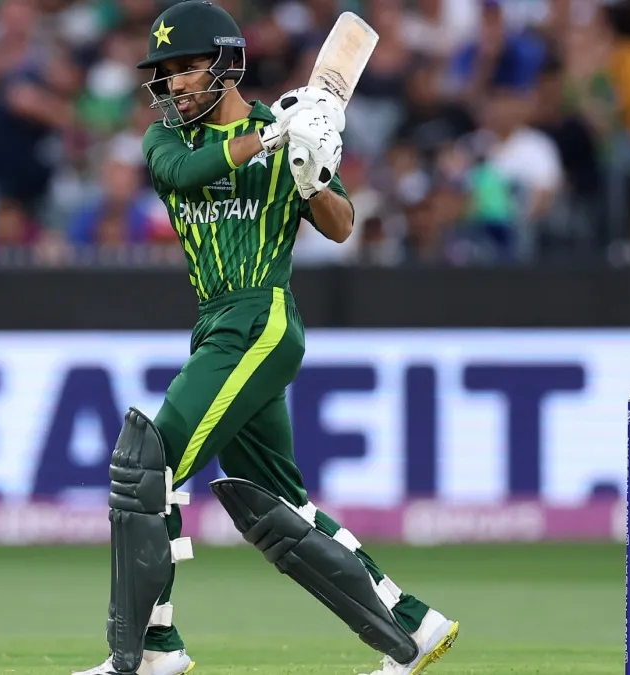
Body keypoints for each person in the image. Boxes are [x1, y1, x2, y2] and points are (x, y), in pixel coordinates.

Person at [73, 3, 459, 675]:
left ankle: (150, 651)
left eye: (186, 68)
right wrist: (274, 136)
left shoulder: (293, 134)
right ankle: (413, 627)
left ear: (225, 66)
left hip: (260, 317)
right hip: (216, 323)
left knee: (149, 468)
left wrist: (313, 174)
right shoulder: (168, 141)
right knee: (278, 505)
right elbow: (185, 175)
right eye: (164, 73)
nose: (172, 85)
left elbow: (341, 225)